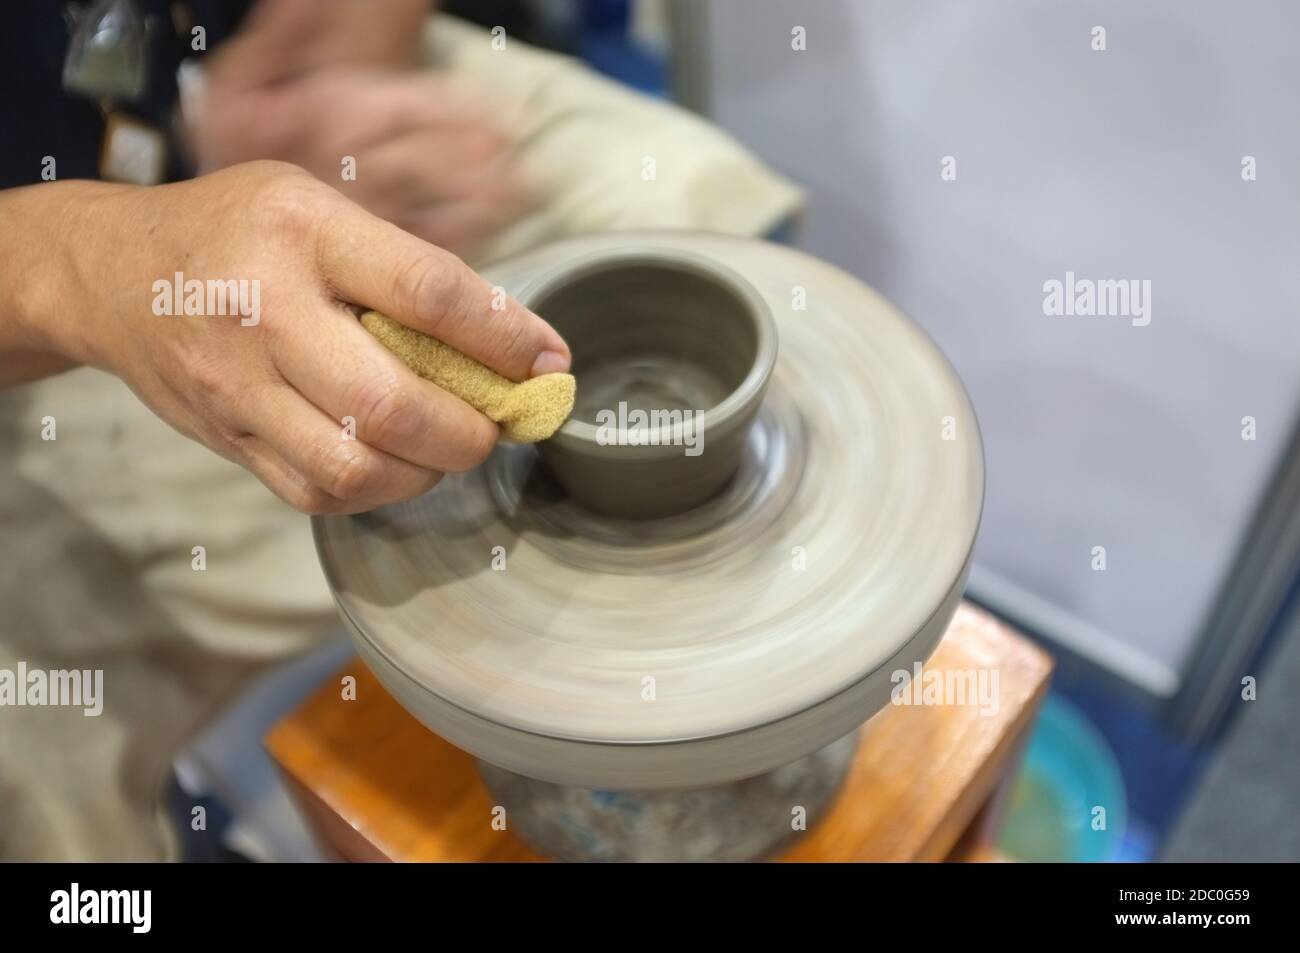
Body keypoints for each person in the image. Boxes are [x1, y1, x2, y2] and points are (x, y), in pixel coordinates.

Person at [1, 0, 569, 514]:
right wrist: (91, 269)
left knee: (654, 180)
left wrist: (353, 41)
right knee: (376, 500)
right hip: (48, 315)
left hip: (287, 83)